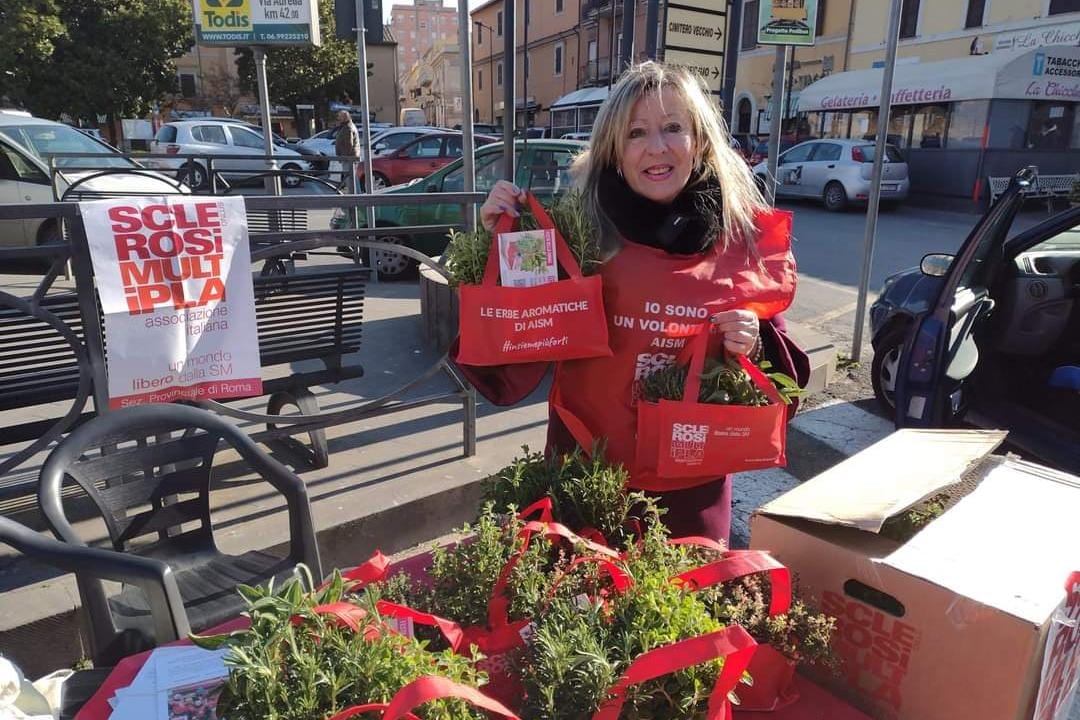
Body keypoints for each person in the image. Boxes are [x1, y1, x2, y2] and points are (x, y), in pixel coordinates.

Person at [457, 62, 807, 544]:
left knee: (683, 611)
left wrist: (753, 339)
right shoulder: (577, 237)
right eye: (636, 133)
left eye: (672, 128)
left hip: (690, 492)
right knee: (577, 611)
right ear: (613, 151)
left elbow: (782, 378)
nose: (657, 148)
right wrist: (498, 243)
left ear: (700, 141)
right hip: (586, 479)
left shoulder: (743, 241)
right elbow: (515, 345)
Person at [334, 110, 360, 189]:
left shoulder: (347, 128)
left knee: (350, 180)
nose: (338, 118)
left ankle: (355, 199)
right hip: (350, 157)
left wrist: (343, 157)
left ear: (345, 117)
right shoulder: (347, 126)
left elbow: (348, 145)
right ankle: (357, 198)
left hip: (348, 158)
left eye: (340, 116)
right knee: (352, 179)